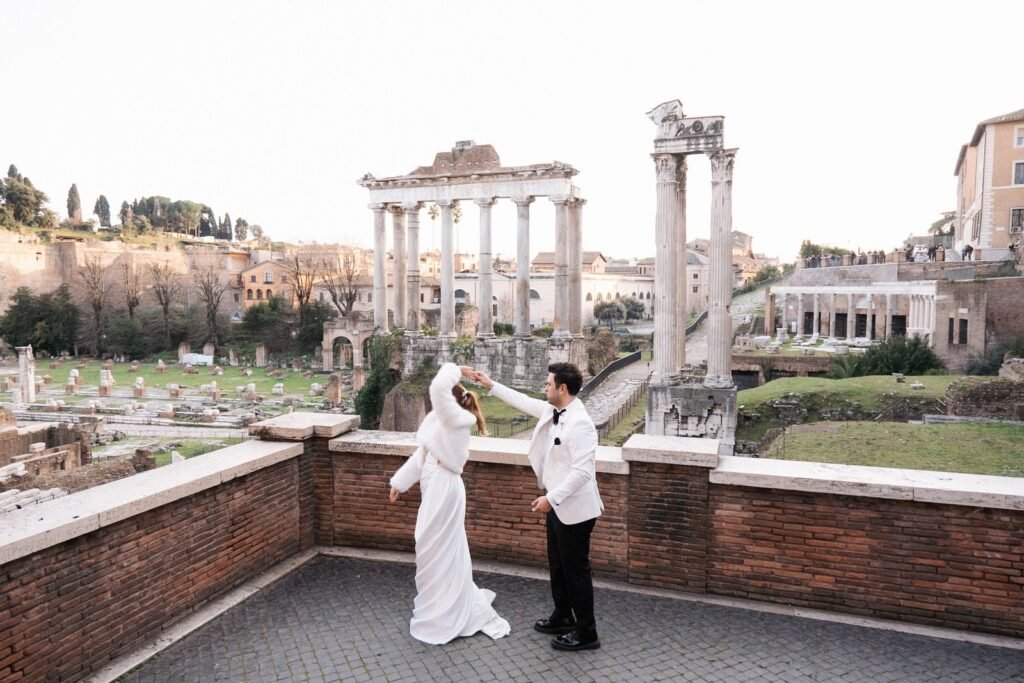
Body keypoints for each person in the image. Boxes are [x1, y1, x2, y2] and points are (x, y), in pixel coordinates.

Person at [473, 362, 604, 652]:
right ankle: (562, 616)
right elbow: (524, 402)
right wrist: (490, 384)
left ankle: (586, 633)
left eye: (548, 383)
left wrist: (550, 498)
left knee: (576, 572)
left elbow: (583, 473)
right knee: (558, 566)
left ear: (562, 388)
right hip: (557, 505)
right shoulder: (552, 410)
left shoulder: (581, 423)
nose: (544, 387)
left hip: (575, 510)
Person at [388, 362, 511, 645]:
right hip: (434, 488)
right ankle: (438, 600)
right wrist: (399, 484)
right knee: (429, 547)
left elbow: (437, 387)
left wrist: (457, 369)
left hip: (445, 491)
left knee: (437, 547)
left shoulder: (456, 421)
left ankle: (447, 610)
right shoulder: (438, 423)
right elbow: (422, 457)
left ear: (449, 404)